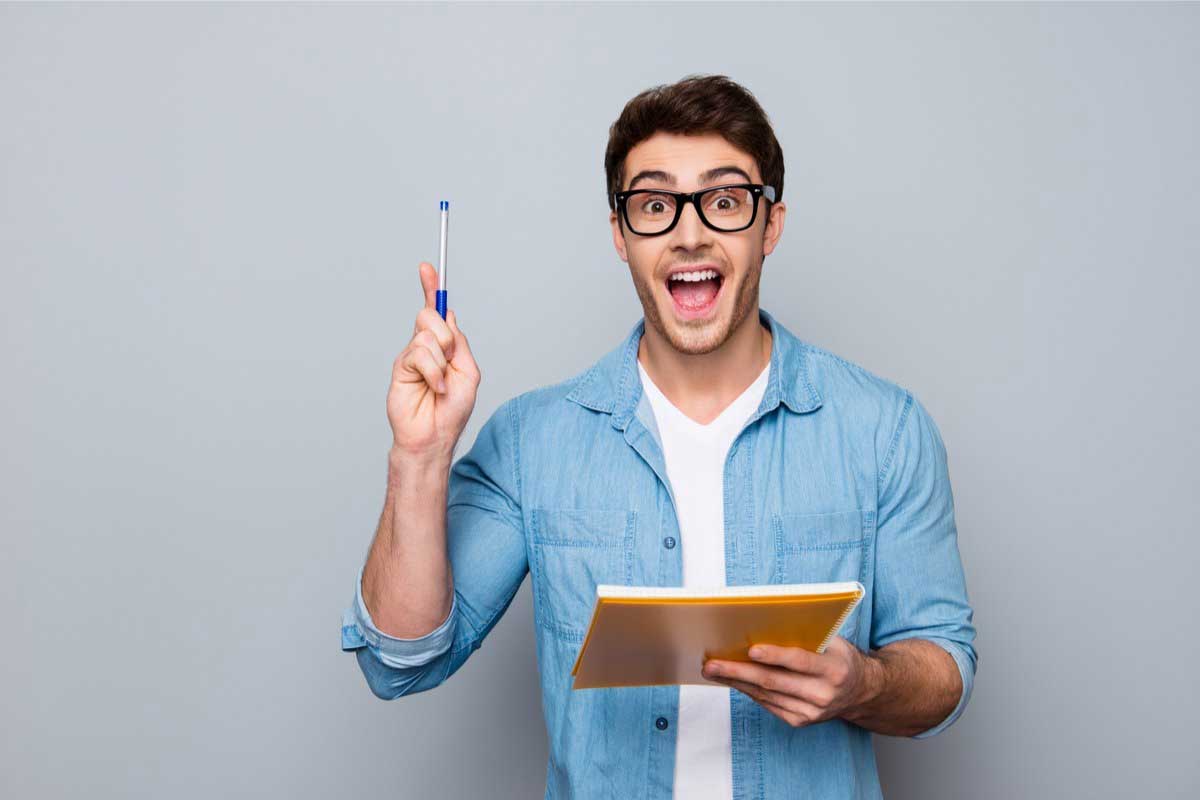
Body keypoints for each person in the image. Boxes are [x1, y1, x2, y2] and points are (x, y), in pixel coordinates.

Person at [340, 74, 977, 799]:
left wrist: (862, 683)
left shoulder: (884, 431)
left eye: (726, 200)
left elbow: (944, 672)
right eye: (654, 205)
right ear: (620, 235)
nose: (689, 231)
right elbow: (399, 660)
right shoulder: (533, 441)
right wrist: (418, 460)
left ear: (770, 225)